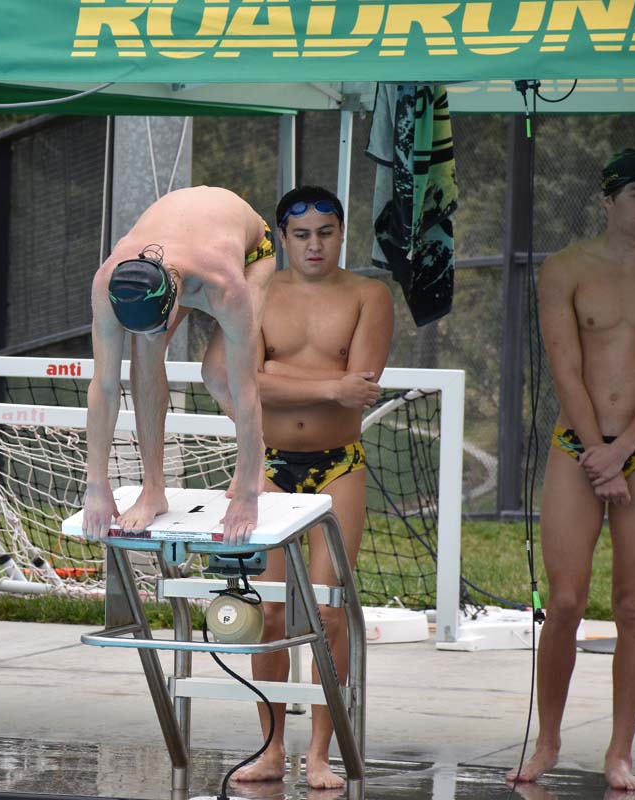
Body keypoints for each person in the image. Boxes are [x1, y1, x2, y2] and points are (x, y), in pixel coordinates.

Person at [506, 148, 635, 793]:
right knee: (566, 602)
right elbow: (564, 366)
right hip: (577, 447)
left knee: (634, 607)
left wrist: (623, 449)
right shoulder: (566, 268)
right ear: (607, 201)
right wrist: (598, 458)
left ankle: (620, 753)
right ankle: (547, 742)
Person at [230, 186, 393, 790]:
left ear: (341, 233)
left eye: (325, 232)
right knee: (269, 614)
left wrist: (274, 373)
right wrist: (328, 385)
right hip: (268, 466)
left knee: (329, 613)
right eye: (302, 235)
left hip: (338, 467)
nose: (315, 244)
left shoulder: (368, 295)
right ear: (282, 237)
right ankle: (271, 749)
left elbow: (364, 384)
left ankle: (320, 753)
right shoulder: (259, 292)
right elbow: (242, 379)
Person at [83, 186, 278, 544]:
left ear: (175, 296)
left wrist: (248, 497)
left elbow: (245, 385)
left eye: (161, 324)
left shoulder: (224, 285)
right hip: (185, 247)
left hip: (251, 254)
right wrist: (96, 483)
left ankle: (254, 460)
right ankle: (153, 490)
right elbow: (104, 386)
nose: (159, 334)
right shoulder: (108, 282)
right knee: (144, 353)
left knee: (220, 375)